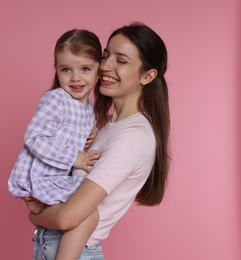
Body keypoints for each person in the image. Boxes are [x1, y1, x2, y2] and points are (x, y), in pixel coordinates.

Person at [26, 22, 171, 259]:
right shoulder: (106, 126)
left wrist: (34, 215)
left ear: (147, 75)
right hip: (55, 246)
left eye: (121, 61)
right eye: (106, 56)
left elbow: (67, 217)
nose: (105, 66)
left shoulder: (133, 137)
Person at [7, 29, 103, 259]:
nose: (76, 78)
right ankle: (37, 203)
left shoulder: (87, 107)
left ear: (99, 70)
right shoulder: (56, 99)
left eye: (85, 69)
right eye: (66, 69)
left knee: (85, 208)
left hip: (59, 177)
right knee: (87, 212)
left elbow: (74, 131)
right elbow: (34, 138)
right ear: (57, 70)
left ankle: (40, 210)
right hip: (45, 175)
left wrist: (94, 132)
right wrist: (76, 158)